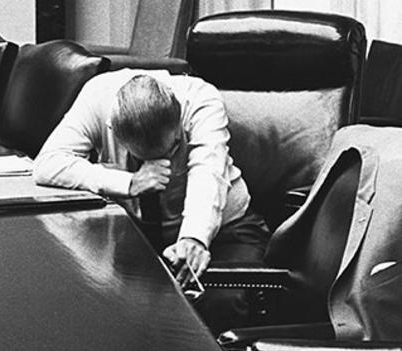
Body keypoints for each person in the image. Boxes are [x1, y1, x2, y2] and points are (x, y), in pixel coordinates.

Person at [33, 69, 269, 333]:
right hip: (139, 233)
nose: (163, 164)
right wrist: (129, 182)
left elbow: (208, 173)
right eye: (143, 157)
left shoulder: (200, 99)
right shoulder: (98, 95)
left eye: (173, 149)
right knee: (93, 300)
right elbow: (48, 164)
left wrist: (193, 238)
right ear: (114, 129)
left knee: (218, 303)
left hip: (226, 230)